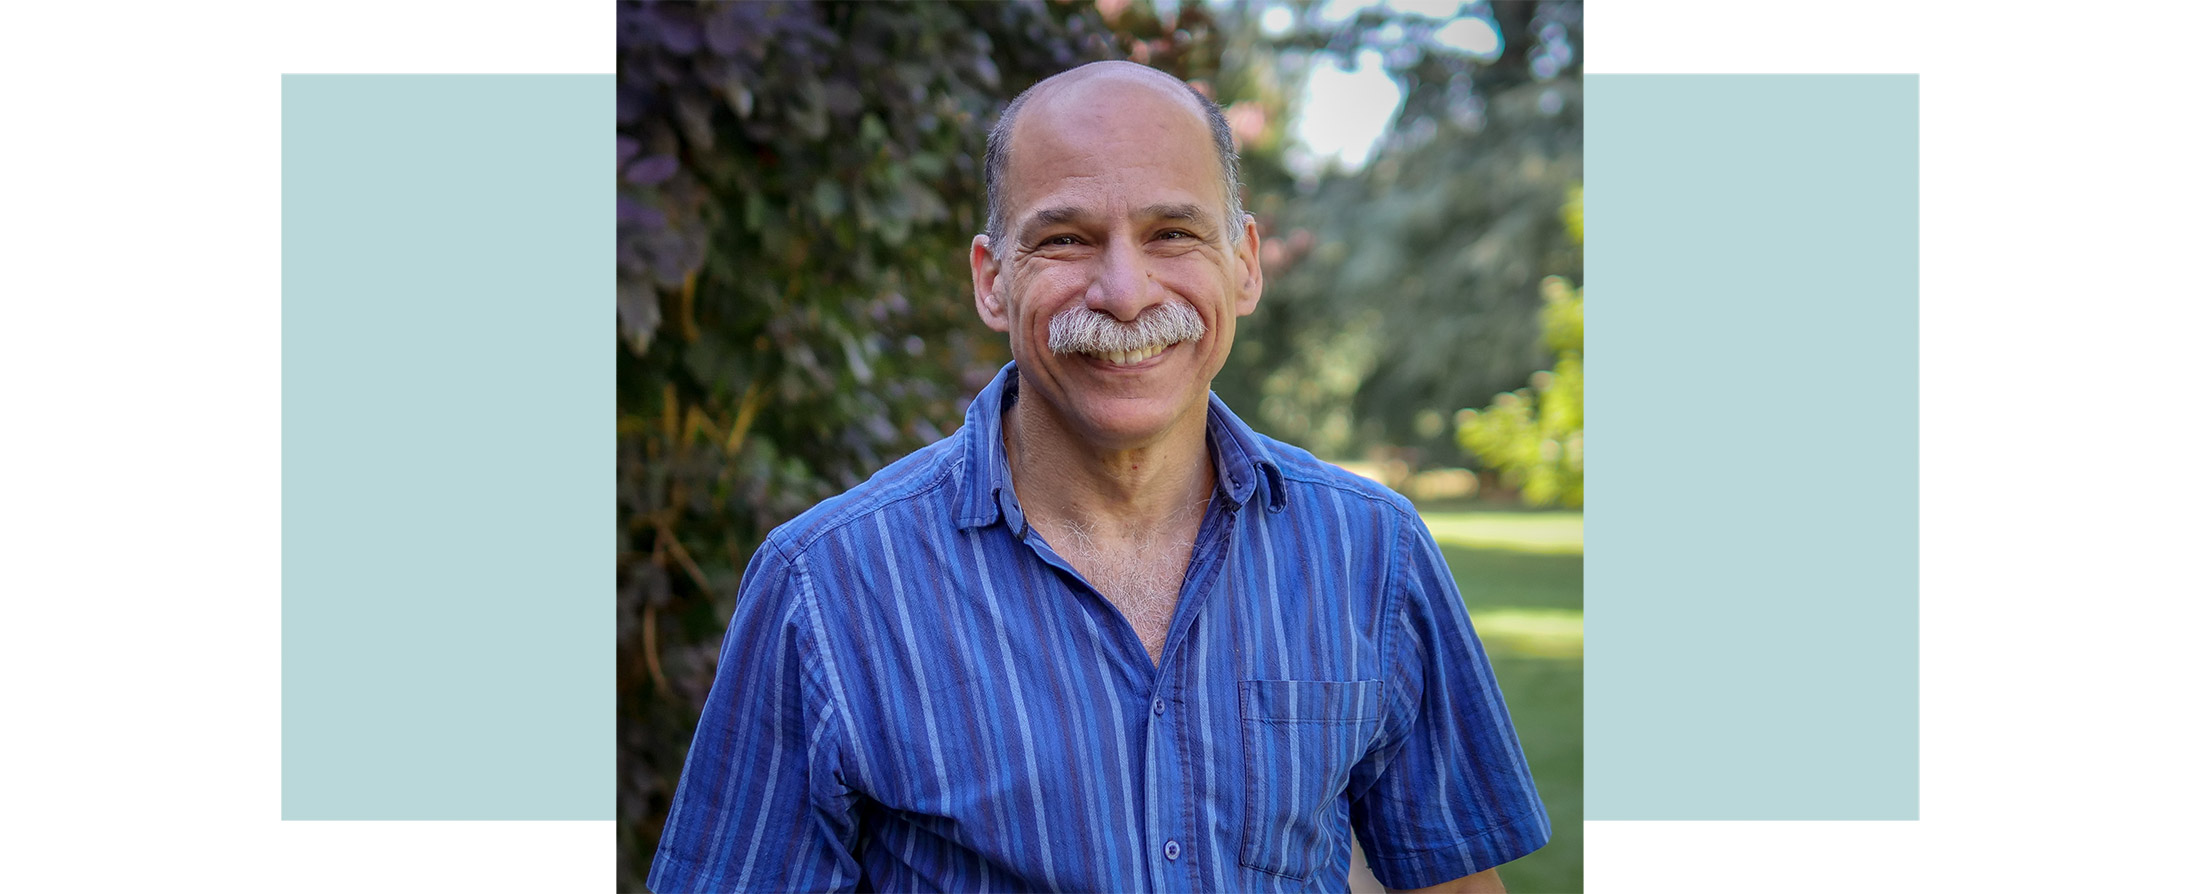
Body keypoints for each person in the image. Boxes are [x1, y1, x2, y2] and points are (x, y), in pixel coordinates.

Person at [648, 60, 1548, 894]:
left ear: (1242, 263)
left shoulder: (1373, 553)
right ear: (993, 281)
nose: (1124, 291)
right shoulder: (829, 586)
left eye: (1173, 233)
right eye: (1068, 239)